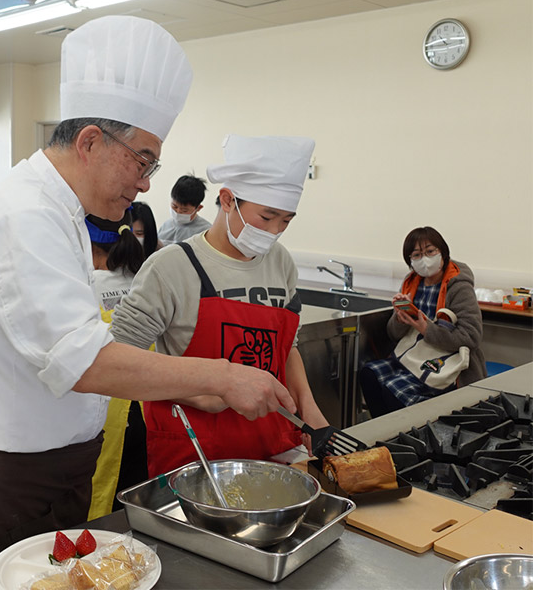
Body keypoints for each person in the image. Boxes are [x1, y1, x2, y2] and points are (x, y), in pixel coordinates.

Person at [0, 16, 298, 569]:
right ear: (90, 141)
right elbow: (85, 361)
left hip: (54, 470)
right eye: (143, 160)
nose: (146, 182)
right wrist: (220, 376)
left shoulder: (61, 211)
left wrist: (191, 388)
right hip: (14, 480)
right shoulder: (24, 214)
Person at [112, 134, 330, 477]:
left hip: (272, 445)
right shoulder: (171, 267)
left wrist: (310, 409)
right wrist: (199, 390)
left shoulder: (281, 262)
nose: (275, 231)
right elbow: (119, 360)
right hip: (195, 453)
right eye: (267, 217)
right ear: (227, 200)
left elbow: (287, 349)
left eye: (286, 221)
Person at [359, 227, 486, 417]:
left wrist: (427, 329)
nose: (424, 259)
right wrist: (401, 317)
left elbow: (471, 337)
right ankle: (385, 429)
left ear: (443, 252)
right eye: (417, 255)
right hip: (414, 355)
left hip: (446, 362)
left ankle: (412, 432)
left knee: (394, 390)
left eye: (430, 251)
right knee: (369, 374)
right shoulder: (411, 282)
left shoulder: (458, 286)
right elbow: (393, 334)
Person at [85, 209, 148, 520]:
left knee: (100, 503)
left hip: (104, 416)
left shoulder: (85, 284)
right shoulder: (142, 280)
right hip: (147, 409)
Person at [157, 174, 212, 245]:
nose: (178, 212)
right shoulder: (166, 225)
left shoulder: (205, 232)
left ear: (198, 208)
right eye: (174, 206)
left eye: (184, 210)